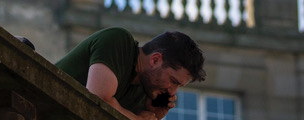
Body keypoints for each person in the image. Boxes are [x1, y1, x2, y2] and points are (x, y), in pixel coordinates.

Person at [54, 28, 205, 120]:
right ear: (155, 59)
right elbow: (97, 99)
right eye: (173, 81)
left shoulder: (146, 92)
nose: (172, 90)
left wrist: (153, 116)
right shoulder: (119, 41)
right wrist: (136, 118)